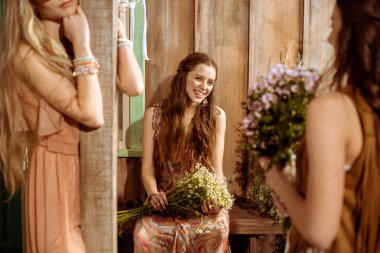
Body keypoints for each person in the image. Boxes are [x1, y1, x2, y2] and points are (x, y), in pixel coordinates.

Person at [0, 0, 143, 252]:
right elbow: (91, 114)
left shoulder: (77, 36)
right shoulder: (26, 54)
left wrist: (118, 33)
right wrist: (83, 45)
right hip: (54, 171)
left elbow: (133, 86)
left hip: (87, 170)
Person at [262, 0, 380, 252]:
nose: (329, 38)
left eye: (332, 25)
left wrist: (279, 180)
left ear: (353, 34)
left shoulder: (333, 110)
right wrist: (301, 191)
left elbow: (319, 232)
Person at [133, 52, 230, 252]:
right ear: (183, 77)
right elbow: (147, 167)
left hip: (200, 203)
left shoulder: (216, 117)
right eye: (199, 78)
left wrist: (215, 198)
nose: (204, 87)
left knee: (216, 231)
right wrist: (153, 194)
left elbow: (217, 169)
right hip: (165, 201)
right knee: (144, 234)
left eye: (210, 82)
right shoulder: (155, 115)